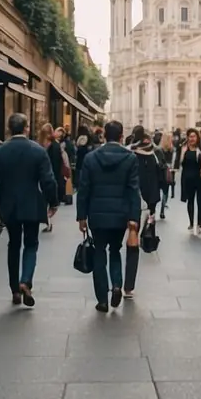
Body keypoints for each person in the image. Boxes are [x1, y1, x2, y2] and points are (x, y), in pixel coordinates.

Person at [0, 113, 58, 308]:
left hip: (10, 206)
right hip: (31, 204)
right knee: (31, 243)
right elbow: (48, 180)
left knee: (13, 244)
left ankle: (14, 289)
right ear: (27, 128)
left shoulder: (0, 152)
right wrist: (53, 202)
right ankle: (25, 280)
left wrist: (0, 203)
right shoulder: (37, 151)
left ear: (10, 129)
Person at [77, 121, 140, 312]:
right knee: (115, 250)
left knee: (99, 252)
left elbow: (84, 189)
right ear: (121, 136)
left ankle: (102, 299)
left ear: (104, 135)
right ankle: (117, 285)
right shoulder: (130, 158)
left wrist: (81, 216)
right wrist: (134, 217)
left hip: (97, 213)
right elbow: (133, 190)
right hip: (120, 214)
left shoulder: (90, 158)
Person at [124, 125, 164, 297]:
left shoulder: (129, 153)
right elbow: (162, 176)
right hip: (148, 200)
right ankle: (128, 286)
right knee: (135, 236)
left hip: (131, 199)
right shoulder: (154, 153)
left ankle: (122, 284)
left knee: (127, 237)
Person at [177, 129, 201, 233]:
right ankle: (191, 222)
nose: (192, 138)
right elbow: (179, 163)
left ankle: (200, 223)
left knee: (200, 201)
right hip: (187, 179)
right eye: (190, 136)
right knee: (190, 201)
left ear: (197, 138)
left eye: (194, 136)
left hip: (200, 178)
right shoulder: (184, 149)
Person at [38, 124, 65, 229]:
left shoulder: (42, 145)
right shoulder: (55, 145)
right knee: (48, 198)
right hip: (51, 175)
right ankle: (48, 220)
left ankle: (48, 220)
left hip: (46, 175)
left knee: (46, 198)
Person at [157, 131, 175, 220]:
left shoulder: (159, 149)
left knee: (157, 189)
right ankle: (162, 210)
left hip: (160, 171)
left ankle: (154, 208)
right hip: (168, 171)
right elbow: (172, 161)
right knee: (165, 191)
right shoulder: (171, 149)